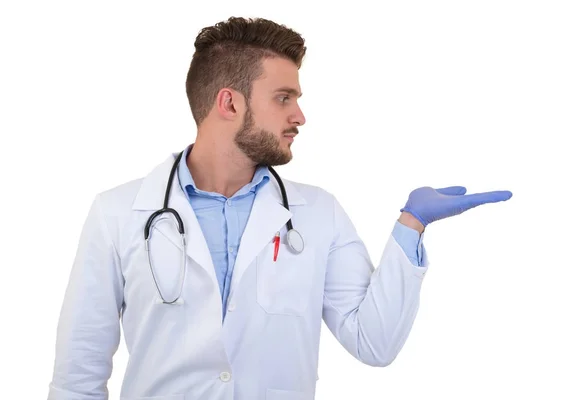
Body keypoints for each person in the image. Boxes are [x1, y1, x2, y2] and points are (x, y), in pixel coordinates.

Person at [47, 16, 512, 400]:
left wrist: (411, 225)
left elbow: (374, 342)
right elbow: (77, 380)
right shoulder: (118, 213)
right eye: (283, 98)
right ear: (228, 102)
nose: (299, 116)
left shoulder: (318, 213)